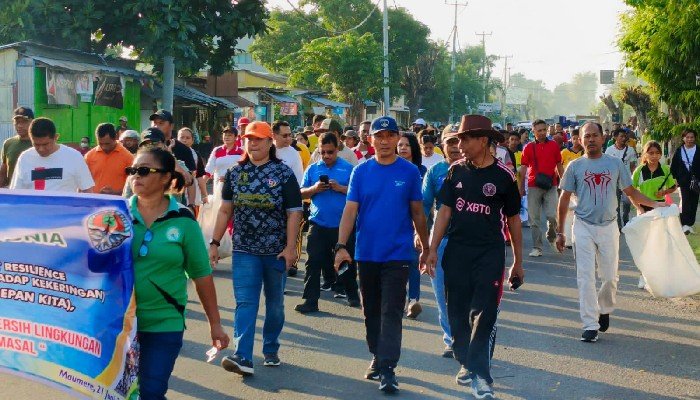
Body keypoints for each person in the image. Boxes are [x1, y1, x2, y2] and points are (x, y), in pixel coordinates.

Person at [425, 114, 523, 400]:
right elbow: (443, 212)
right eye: (457, 139)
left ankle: (481, 375)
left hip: (489, 252)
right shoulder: (455, 172)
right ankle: (466, 360)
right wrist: (431, 249)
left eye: (465, 139)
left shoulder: (503, 176)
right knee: (457, 315)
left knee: (485, 311)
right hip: (456, 252)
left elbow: (514, 220)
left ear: (484, 141)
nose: (459, 145)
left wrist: (518, 261)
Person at [334, 116, 429, 394]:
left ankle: (388, 368)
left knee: (391, 311)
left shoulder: (410, 172)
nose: (385, 141)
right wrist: (341, 246)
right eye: (379, 136)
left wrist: (425, 247)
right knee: (371, 310)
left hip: (398, 254)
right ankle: (377, 354)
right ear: (371, 139)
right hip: (367, 253)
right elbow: (350, 211)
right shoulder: (361, 172)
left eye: (390, 135)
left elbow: (417, 213)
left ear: (397, 138)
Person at [127, 146, 229, 399]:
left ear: (165, 177)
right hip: (119, 325)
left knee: (151, 391)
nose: (135, 177)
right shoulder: (115, 216)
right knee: (121, 393)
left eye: (143, 171)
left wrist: (215, 324)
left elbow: (201, 275)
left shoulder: (183, 220)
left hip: (164, 323)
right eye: (132, 171)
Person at [556, 122, 665, 344]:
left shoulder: (615, 164)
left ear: (603, 137)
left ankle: (604, 308)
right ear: (580, 139)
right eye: (586, 136)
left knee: (609, 277)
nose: (591, 140)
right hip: (583, 226)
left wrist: (655, 204)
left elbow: (631, 191)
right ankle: (589, 325)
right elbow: (564, 198)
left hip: (608, 226)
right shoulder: (574, 166)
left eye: (595, 136)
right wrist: (560, 232)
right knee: (585, 276)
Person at [209, 121, 303, 377]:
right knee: (246, 302)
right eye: (249, 139)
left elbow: (294, 213)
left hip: (275, 251)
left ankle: (271, 347)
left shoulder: (283, 173)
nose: (253, 143)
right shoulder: (235, 173)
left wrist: (291, 248)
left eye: (259, 139)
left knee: (275, 304)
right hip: (245, 250)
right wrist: (214, 243)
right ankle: (243, 356)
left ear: (270, 142)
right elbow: (225, 210)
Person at [295, 132, 359, 313]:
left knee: (346, 262)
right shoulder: (313, 168)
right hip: (318, 224)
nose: (326, 156)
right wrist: (314, 189)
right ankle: (310, 300)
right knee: (313, 263)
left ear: (337, 149)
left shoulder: (348, 169)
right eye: (323, 152)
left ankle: (353, 295)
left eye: (330, 152)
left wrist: (340, 188)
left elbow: (358, 195)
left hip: (342, 226)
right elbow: (300, 193)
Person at [421, 123, 462, 358]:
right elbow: (424, 206)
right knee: (441, 292)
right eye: (450, 142)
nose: (455, 147)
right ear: (442, 145)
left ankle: (464, 334)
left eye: (459, 142)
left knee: (465, 292)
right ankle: (451, 338)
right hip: (441, 240)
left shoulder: (472, 169)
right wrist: (421, 235)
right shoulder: (435, 172)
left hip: (468, 241)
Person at [632, 140, 677, 288]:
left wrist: (663, 192)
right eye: (651, 153)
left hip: (660, 207)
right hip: (644, 208)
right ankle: (643, 276)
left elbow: (673, 187)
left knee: (658, 243)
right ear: (645, 153)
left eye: (657, 153)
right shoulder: (639, 171)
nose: (654, 156)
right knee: (644, 244)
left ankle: (658, 277)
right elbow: (631, 192)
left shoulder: (665, 169)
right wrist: (639, 208)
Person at [10, 117, 94, 193]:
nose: (41, 149)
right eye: (36, 145)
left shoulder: (74, 157)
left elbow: (88, 190)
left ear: (56, 137)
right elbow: (15, 193)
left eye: (45, 144)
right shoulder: (25, 158)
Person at [519, 119, 564, 257]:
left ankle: (551, 238)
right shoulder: (528, 147)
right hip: (533, 186)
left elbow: (559, 165)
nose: (543, 133)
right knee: (534, 219)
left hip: (552, 185)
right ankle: (537, 247)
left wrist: (565, 184)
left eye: (544, 130)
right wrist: (520, 188)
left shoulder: (554, 146)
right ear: (533, 132)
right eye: (539, 130)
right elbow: (523, 169)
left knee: (552, 216)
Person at [397, 132, 427, 319]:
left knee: (414, 261)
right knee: (397, 263)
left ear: (414, 148)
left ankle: (413, 300)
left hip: (416, 222)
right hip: (395, 222)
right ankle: (398, 299)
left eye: (407, 145)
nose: (403, 148)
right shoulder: (391, 168)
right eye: (400, 145)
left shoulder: (422, 171)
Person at [85, 123, 134, 195]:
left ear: (115, 138)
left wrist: (115, 193)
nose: (104, 147)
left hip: (117, 203)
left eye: (107, 144)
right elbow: (82, 184)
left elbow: (133, 186)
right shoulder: (89, 157)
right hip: (94, 204)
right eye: (100, 143)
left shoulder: (128, 157)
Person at [605, 128, 638, 230]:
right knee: (616, 204)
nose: (624, 138)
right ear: (615, 137)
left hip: (626, 181)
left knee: (627, 202)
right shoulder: (609, 150)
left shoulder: (631, 150)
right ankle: (618, 225)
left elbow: (633, 166)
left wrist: (633, 179)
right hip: (613, 181)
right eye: (621, 136)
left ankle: (626, 218)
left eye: (625, 136)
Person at [670, 128, 700, 234]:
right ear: (683, 138)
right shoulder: (679, 150)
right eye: (687, 137)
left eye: (692, 137)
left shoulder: (698, 150)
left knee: (694, 202)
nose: (690, 139)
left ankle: (690, 223)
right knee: (685, 201)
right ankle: (684, 224)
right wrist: (675, 179)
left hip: (697, 181)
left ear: (695, 138)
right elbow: (674, 166)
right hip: (683, 181)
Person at [560, 129, 584, 248]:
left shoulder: (585, 153)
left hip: (581, 188)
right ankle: (568, 240)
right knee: (568, 213)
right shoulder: (564, 152)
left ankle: (578, 238)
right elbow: (558, 168)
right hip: (567, 187)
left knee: (579, 213)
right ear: (570, 139)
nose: (575, 141)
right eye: (573, 138)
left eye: (577, 138)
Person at [205, 126, 244, 198]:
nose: (227, 137)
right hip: (218, 186)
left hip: (236, 188)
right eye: (225, 135)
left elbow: (244, 172)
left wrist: (228, 178)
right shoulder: (217, 150)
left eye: (230, 135)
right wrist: (202, 185)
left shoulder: (241, 152)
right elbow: (209, 169)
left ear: (236, 137)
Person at [0, 107, 34, 187]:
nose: (19, 126)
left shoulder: (40, 143)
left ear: (32, 122)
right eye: (17, 122)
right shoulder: (8, 143)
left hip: (34, 192)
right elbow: (3, 172)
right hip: (13, 193)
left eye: (24, 122)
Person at [177, 127, 209, 207]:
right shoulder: (171, 152)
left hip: (193, 193)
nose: (184, 140)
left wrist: (205, 195)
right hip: (175, 191)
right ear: (177, 139)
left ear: (192, 141)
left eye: (188, 138)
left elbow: (199, 177)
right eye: (182, 137)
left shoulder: (196, 154)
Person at [272, 120, 304, 185]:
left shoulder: (294, 153)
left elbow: (299, 179)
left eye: (290, 135)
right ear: (274, 136)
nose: (288, 138)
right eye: (285, 136)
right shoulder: (266, 150)